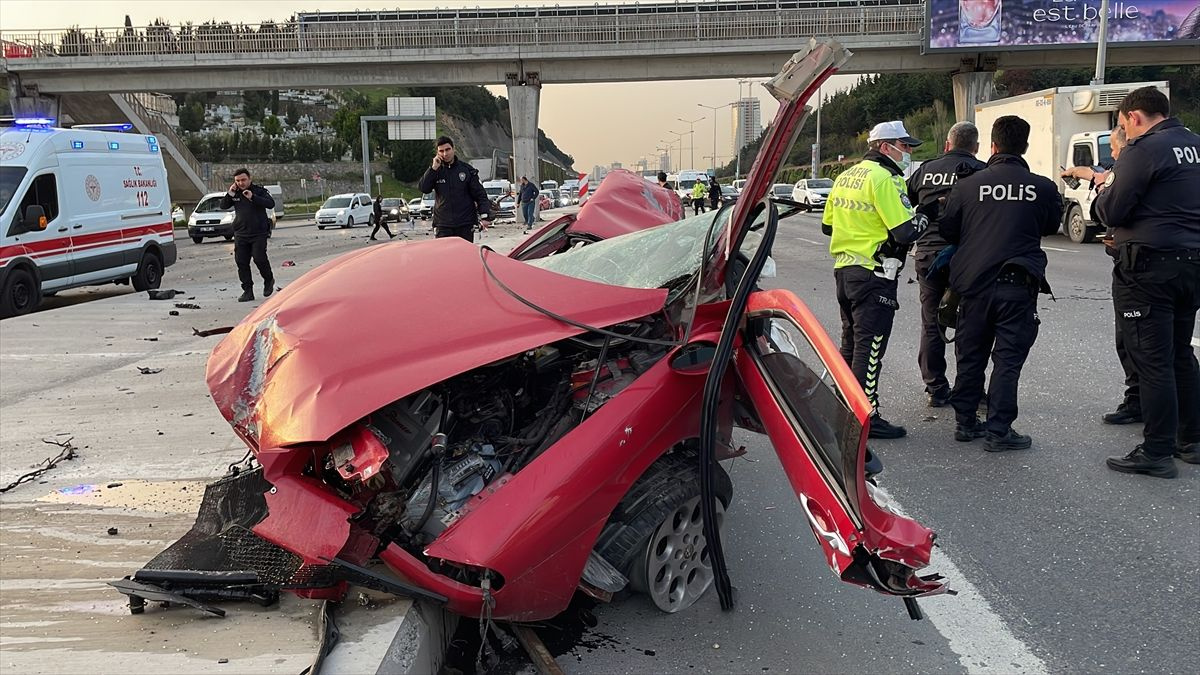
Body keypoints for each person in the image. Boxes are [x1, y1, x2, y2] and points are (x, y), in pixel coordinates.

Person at [1093, 86, 1200, 478]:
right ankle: (1191, 439)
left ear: (1134, 117)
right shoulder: (1195, 145)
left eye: (1123, 125)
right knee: (1179, 353)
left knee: (1152, 359)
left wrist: (1102, 189)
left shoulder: (1144, 149)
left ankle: (1155, 449)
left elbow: (1113, 208)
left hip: (1149, 267)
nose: (1126, 131)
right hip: (1191, 262)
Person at [939, 115, 1062, 452]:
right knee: (1007, 360)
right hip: (1016, 285)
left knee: (971, 354)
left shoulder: (966, 186)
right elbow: (1050, 225)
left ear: (992, 146)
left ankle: (965, 423)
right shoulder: (1043, 186)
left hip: (973, 285)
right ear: (1024, 146)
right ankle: (999, 430)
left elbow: (948, 231)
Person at [821, 120, 928, 439]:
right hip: (874, 272)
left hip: (845, 272)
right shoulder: (885, 179)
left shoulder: (845, 176)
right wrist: (926, 216)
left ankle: (843, 411)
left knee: (851, 344)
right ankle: (866, 417)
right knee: (870, 347)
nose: (908, 152)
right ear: (885, 147)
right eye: (904, 146)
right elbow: (905, 231)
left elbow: (828, 227)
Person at [1062, 128, 1142, 425]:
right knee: (1137, 341)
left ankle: (1148, 413)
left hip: (1139, 269)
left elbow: (1107, 211)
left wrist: (1101, 194)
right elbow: (1096, 173)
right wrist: (1076, 172)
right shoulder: (1151, 165)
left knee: (1141, 344)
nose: (1114, 156)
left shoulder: (1131, 168)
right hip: (1157, 262)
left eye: (1115, 150)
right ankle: (1140, 401)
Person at [906, 121, 987, 407]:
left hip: (928, 254)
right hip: (967, 257)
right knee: (971, 323)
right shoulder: (982, 172)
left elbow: (909, 202)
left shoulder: (925, 169)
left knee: (932, 323)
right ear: (975, 148)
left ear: (947, 145)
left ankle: (936, 388)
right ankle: (971, 390)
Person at [417, 136, 492, 242]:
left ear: (453, 149)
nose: (445, 154)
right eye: (441, 151)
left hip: (465, 223)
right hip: (443, 224)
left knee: (463, 257)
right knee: (445, 257)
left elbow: (480, 194)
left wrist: (485, 216)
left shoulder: (467, 170)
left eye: (447, 150)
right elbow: (424, 188)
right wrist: (433, 169)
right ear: (437, 153)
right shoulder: (435, 171)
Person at [219, 168, 275, 303]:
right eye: (237, 181)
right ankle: (247, 291)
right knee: (241, 262)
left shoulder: (259, 191)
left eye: (243, 180)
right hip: (241, 233)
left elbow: (270, 203)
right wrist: (230, 193)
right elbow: (223, 206)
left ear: (250, 179)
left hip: (258, 232)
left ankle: (268, 280)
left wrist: (253, 197)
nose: (241, 183)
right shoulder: (235, 193)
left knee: (259, 258)